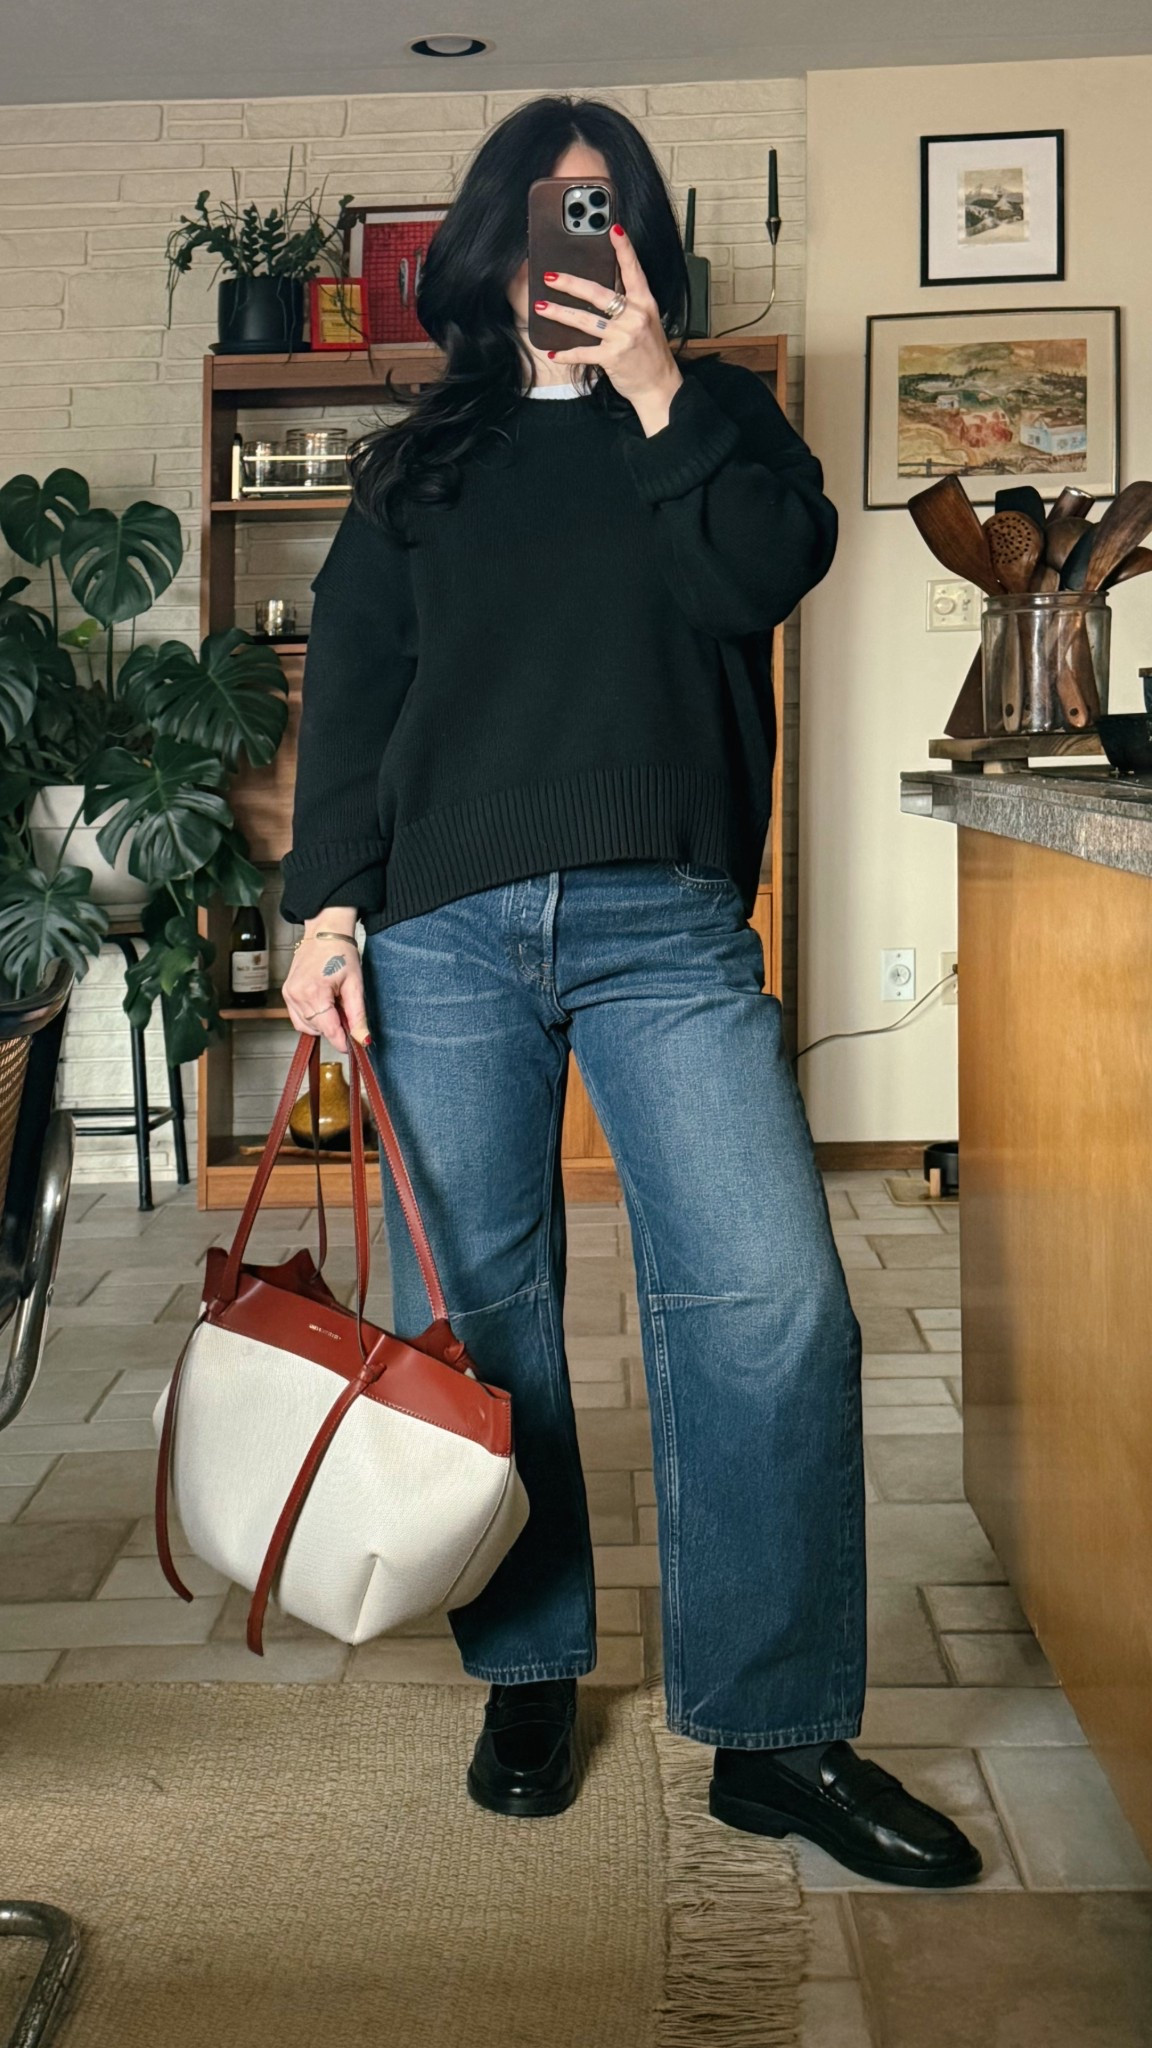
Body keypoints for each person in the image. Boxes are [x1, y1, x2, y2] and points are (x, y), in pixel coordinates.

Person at [280, 94, 981, 1890]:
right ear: (492, 242)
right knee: (486, 1317)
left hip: (666, 923)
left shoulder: (724, 420)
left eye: (601, 210)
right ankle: (527, 1675)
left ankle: (777, 1734)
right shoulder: (420, 463)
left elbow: (761, 576)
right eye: (543, 209)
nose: (570, 239)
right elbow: (354, 700)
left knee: (772, 1303)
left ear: (644, 240)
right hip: (438, 932)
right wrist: (325, 915)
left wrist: (660, 386)